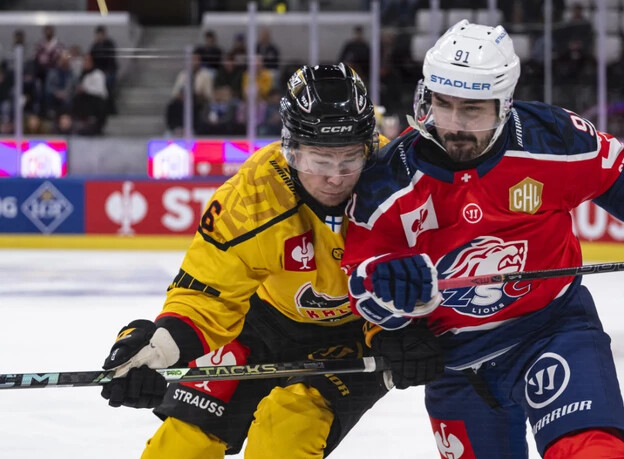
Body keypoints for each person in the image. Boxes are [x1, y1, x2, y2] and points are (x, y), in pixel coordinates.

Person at [342, 20, 624, 458]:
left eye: (472, 110)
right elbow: (361, 279)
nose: (453, 125)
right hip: (456, 363)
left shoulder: (550, 137)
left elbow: (612, 178)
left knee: (593, 452)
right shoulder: (389, 179)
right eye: (443, 105)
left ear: (504, 104)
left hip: (553, 329)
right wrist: (387, 309)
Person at [100, 63, 443, 458]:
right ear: (291, 149)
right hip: (261, 324)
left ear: (368, 146)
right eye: (318, 160)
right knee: (181, 445)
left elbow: (426, 272)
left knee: (285, 433)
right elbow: (208, 291)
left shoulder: (398, 180)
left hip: (358, 331)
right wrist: (157, 350)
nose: (334, 178)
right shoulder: (252, 195)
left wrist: (404, 331)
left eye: (349, 160)